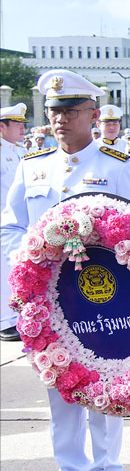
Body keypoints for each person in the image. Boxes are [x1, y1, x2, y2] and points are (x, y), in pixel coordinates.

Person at [1, 70, 130, 471]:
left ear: (93, 115)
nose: (61, 118)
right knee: (58, 384)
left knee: (103, 381)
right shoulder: (33, 166)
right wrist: (24, 271)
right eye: (55, 110)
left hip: (103, 297)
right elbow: (11, 227)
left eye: (71, 110)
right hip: (47, 298)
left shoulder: (117, 167)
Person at [0, 102, 28, 341]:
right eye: (17, 124)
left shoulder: (19, 151)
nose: (22, 127)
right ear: (2, 127)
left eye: (23, 123)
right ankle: (5, 320)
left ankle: (15, 317)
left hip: (17, 221)